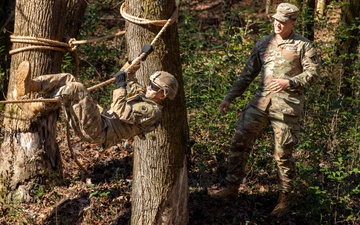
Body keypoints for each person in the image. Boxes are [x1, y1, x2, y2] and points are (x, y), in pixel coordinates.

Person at [209, 3, 320, 217]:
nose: (278, 24)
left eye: (283, 22)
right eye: (276, 20)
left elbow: (313, 74)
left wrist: (291, 82)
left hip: (286, 108)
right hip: (260, 104)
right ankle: (231, 189)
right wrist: (229, 97)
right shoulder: (263, 44)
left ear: (293, 23)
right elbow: (247, 75)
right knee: (239, 142)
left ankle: (285, 199)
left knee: (283, 155)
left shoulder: (303, 46)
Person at [15, 60, 178, 148]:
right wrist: (136, 61)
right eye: (150, 83)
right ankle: (33, 86)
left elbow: (121, 111)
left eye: (154, 86)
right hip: (100, 121)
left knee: (76, 89)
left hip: (100, 131)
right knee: (69, 79)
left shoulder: (152, 111)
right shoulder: (144, 96)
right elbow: (128, 77)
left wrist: (121, 88)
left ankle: (36, 107)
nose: (149, 87)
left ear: (163, 94)